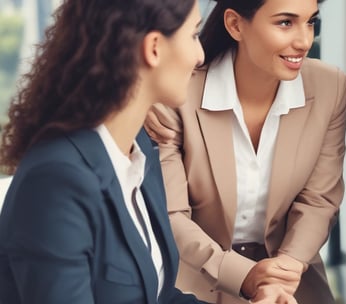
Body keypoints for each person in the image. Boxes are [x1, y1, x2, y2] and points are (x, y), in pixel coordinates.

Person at [0, 0, 210, 303]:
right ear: (153, 48)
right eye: (193, 35)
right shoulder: (56, 181)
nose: (200, 55)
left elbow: (160, 297)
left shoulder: (139, 152)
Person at [144, 0, 346, 303]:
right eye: (285, 23)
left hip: (292, 286)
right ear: (235, 25)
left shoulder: (330, 86)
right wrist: (244, 275)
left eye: (311, 23)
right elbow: (171, 214)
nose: (304, 41)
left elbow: (319, 200)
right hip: (194, 285)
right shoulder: (177, 92)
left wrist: (285, 269)